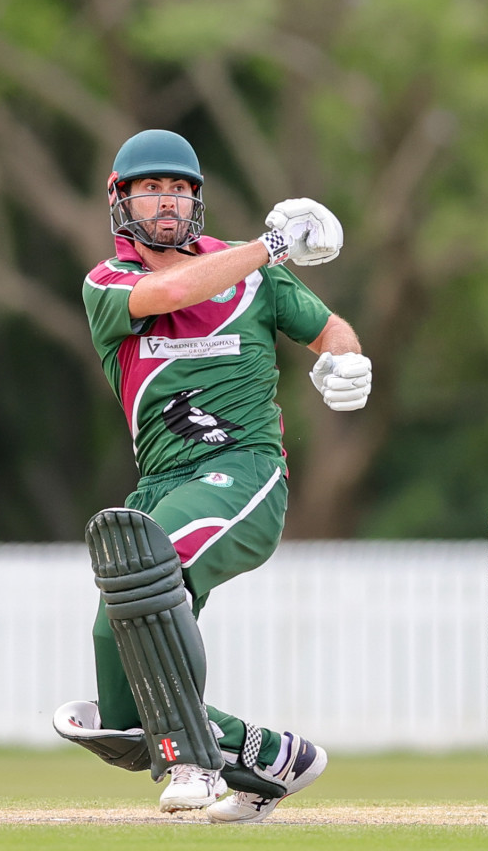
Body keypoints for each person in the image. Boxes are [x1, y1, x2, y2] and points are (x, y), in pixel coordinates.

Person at [53, 128, 373, 823]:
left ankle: (191, 759)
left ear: (196, 201)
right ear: (121, 201)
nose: (166, 202)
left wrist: (345, 361)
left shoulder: (255, 271)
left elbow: (329, 329)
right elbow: (174, 289)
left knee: (153, 570)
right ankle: (270, 757)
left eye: (179, 190)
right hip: (161, 488)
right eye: (150, 189)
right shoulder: (108, 284)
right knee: (121, 678)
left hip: (244, 473)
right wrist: (271, 245)